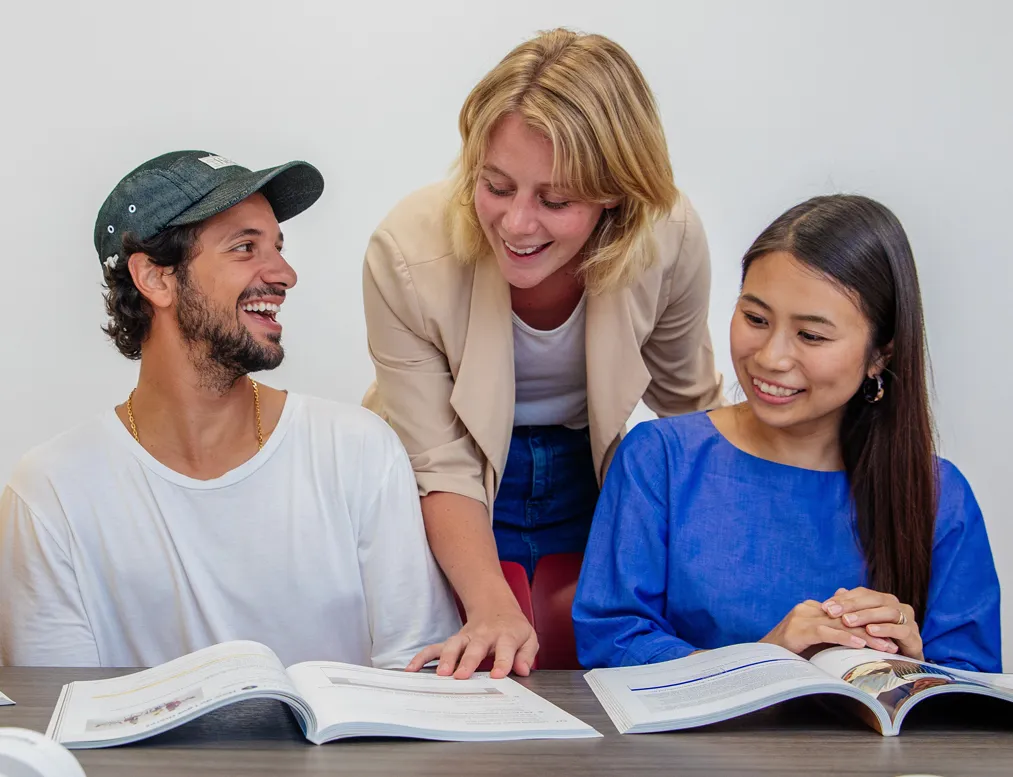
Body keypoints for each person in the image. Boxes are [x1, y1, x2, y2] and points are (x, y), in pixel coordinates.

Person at [0, 150, 459, 668]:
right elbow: (60, 713)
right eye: (245, 248)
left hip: (349, 750)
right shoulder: (53, 491)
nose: (285, 274)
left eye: (278, 248)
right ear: (156, 279)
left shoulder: (357, 449)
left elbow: (419, 673)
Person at [362, 28, 724, 679]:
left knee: (595, 660)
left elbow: (690, 414)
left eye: (554, 200)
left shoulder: (669, 237)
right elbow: (438, 460)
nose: (517, 224)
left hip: (587, 468)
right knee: (466, 659)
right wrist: (492, 608)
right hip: (441, 483)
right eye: (495, 185)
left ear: (616, 191)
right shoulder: (405, 251)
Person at [572, 194, 1001, 673]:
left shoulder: (939, 496)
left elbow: (972, 691)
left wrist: (914, 667)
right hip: (691, 749)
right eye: (755, 319)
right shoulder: (661, 459)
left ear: (881, 354)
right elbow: (611, 641)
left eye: (811, 336)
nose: (772, 358)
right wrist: (763, 662)